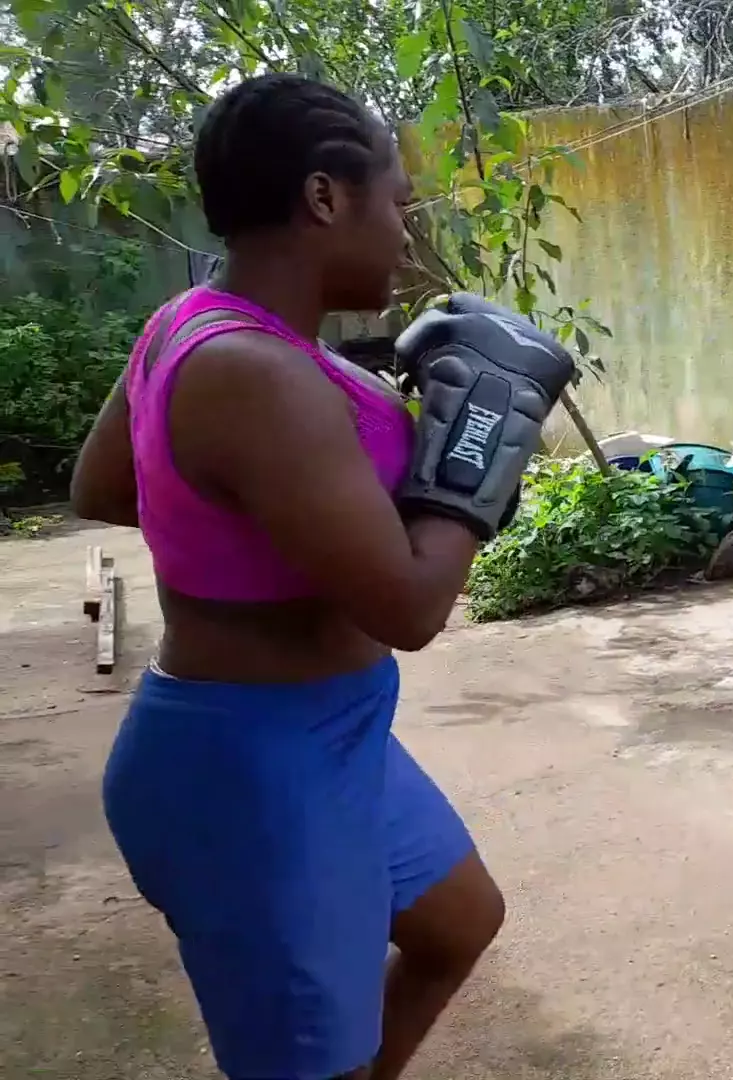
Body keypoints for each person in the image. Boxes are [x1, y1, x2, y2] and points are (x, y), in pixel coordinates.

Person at [68, 73, 574, 1080]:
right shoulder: (254, 374)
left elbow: (107, 485)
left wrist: (289, 521)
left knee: (458, 922)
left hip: (333, 737)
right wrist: (473, 461)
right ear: (324, 198)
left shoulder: (204, 327)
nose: (404, 232)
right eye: (397, 203)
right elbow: (409, 606)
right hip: (250, 775)